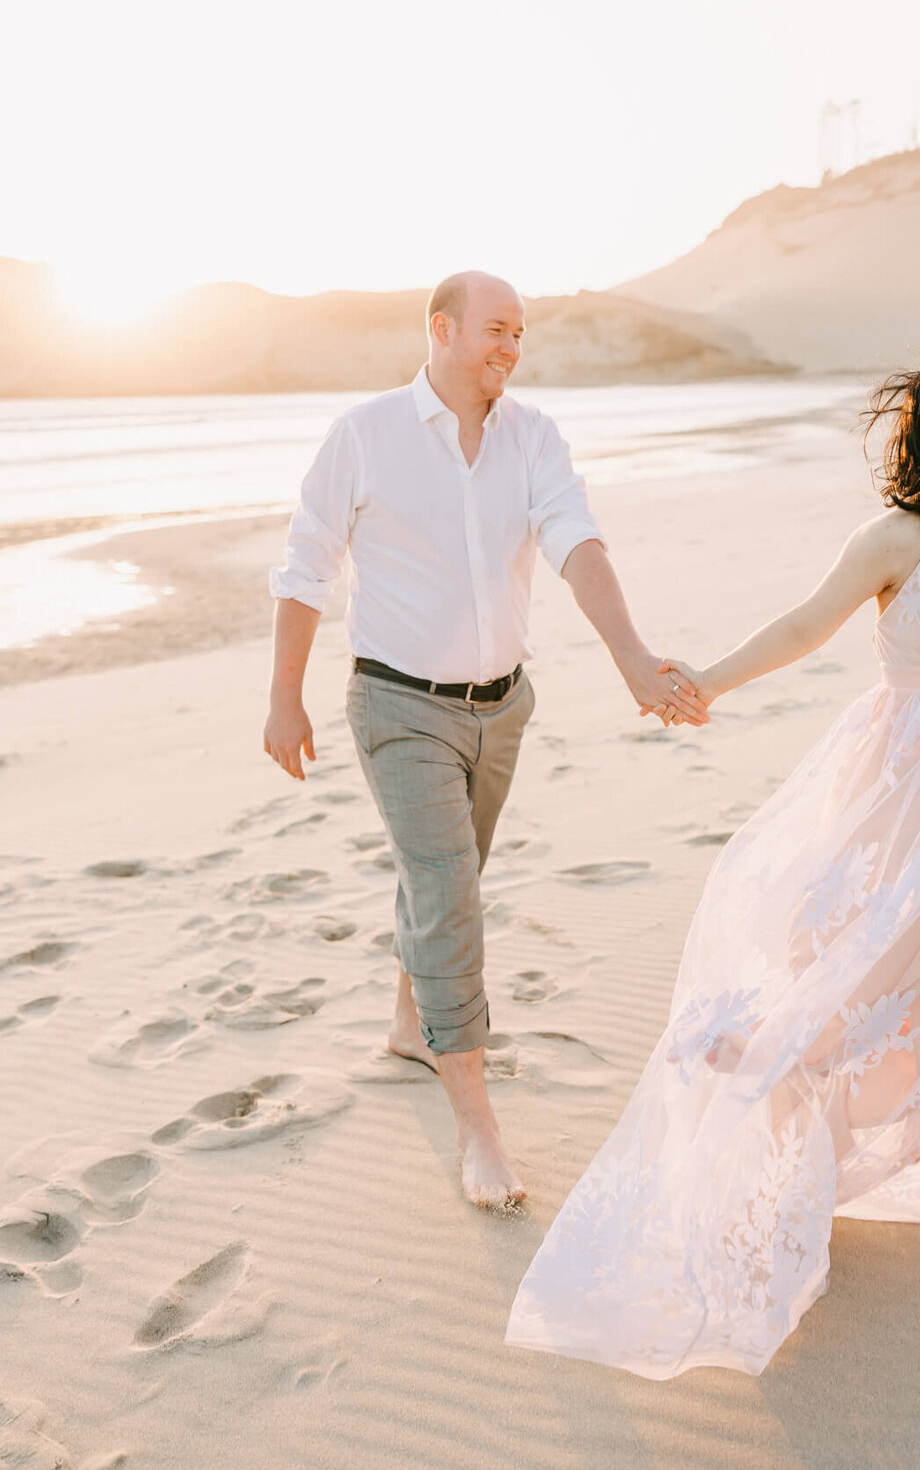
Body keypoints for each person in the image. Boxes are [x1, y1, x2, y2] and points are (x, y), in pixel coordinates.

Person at [506, 335, 920, 1380]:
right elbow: (803, 625)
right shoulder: (896, 538)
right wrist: (700, 680)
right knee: (862, 977)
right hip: (916, 801)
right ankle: (756, 1130)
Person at [263, 271, 707, 1209]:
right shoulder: (366, 435)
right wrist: (283, 700)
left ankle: (405, 1021)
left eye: (520, 334)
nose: (511, 347)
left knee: (447, 874)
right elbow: (305, 567)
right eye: (497, 330)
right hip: (395, 702)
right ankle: (479, 1133)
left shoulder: (533, 437)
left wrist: (631, 657)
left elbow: (576, 542)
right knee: (447, 887)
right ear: (442, 330)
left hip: (502, 706)